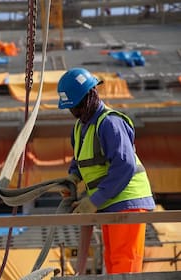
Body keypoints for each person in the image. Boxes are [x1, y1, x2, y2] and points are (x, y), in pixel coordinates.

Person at [57, 68, 155, 274]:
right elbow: (81, 159)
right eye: (71, 108)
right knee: (112, 263)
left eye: (76, 106)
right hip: (109, 202)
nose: (74, 112)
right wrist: (72, 178)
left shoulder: (109, 123)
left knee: (124, 264)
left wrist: (94, 201)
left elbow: (124, 165)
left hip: (127, 201)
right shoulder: (80, 127)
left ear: (90, 96)